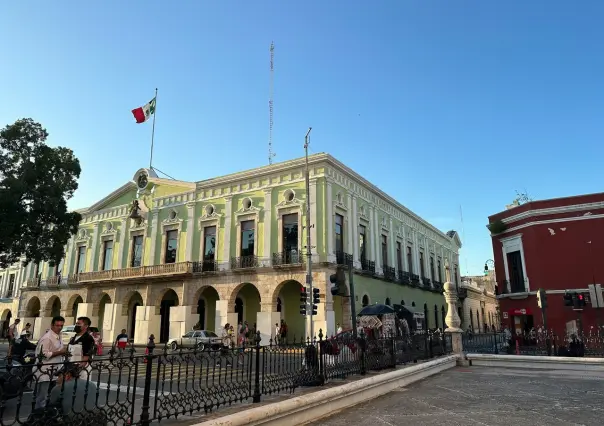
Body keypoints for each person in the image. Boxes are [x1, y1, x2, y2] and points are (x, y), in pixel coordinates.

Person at [34, 316, 67, 409]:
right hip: (44, 371)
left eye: (61, 325)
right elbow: (43, 354)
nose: (59, 327)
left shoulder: (58, 336)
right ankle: (38, 416)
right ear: (52, 325)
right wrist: (60, 352)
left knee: (51, 395)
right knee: (42, 397)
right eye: (57, 325)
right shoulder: (47, 338)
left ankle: (48, 416)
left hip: (54, 370)